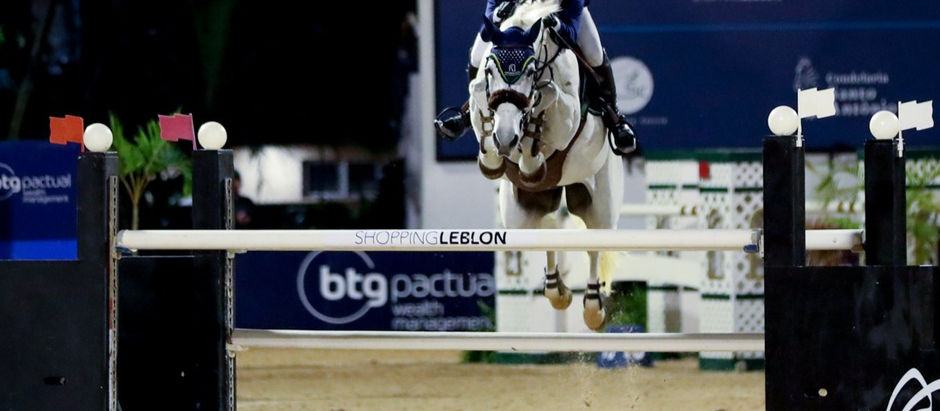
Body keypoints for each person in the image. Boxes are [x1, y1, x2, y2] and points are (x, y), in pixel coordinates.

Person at [435, 0, 637, 155]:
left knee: (594, 54)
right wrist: (498, 14)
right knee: (477, 56)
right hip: (515, 24)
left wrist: (556, 24)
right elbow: (488, 27)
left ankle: (614, 116)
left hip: (563, 15)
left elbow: (570, 35)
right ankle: (469, 112)